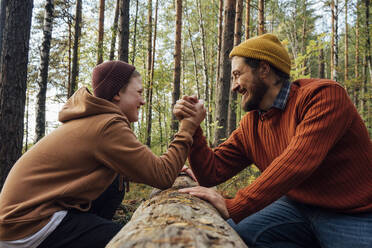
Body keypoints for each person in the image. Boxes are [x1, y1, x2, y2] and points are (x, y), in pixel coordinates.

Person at [174, 34, 372, 248]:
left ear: (264, 69)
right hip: (295, 206)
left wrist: (237, 204)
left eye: (238, 75)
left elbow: (296, 162)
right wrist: (192, 127)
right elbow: (211, 172)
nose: (233, 87)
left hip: (352, 212)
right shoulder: (252, 123)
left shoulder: (323, 97)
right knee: (231, 233)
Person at [0, 60, 206, 248]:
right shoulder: (107, 125)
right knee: (136, 240)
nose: (142, 101)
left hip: (18, 220)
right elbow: (163, 176)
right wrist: (188, 126)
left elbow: (145, 168)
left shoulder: (93, 119)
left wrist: (163, 165)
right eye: (139, 92)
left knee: (115, 180)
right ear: (118, 93)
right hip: (28, 226)